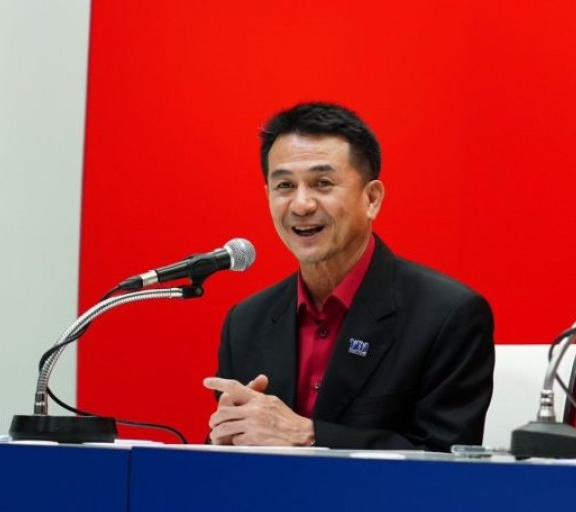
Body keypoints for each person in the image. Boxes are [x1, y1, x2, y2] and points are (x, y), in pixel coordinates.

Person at [203, 102, 495, 450]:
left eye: (322, 183)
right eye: (284, 186)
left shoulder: (447, 316)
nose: (301, 205)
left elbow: (446, 461)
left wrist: (311, 435)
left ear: (371, 198)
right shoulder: (245, 323)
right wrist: (224, 438)